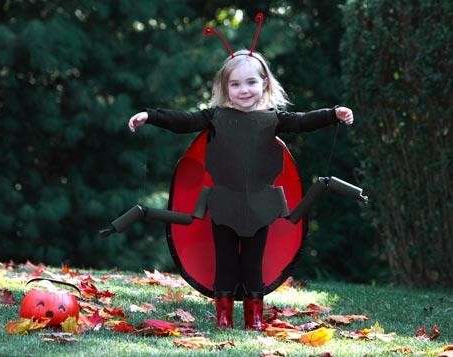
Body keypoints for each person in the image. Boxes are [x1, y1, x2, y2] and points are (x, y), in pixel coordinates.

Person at [127, 49, 354, 330]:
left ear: (265, 85)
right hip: (224, 203)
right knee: (224, 261)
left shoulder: (274, 119)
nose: (244, 90)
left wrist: (333, 114)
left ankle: (254, 316)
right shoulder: (215, 117)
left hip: (260, 206)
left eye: (251, 82)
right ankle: (223, 316)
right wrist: (150, 116)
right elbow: (184, 122)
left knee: (252, 262)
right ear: (224, 89)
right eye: (235, 84)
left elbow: (304, 121)